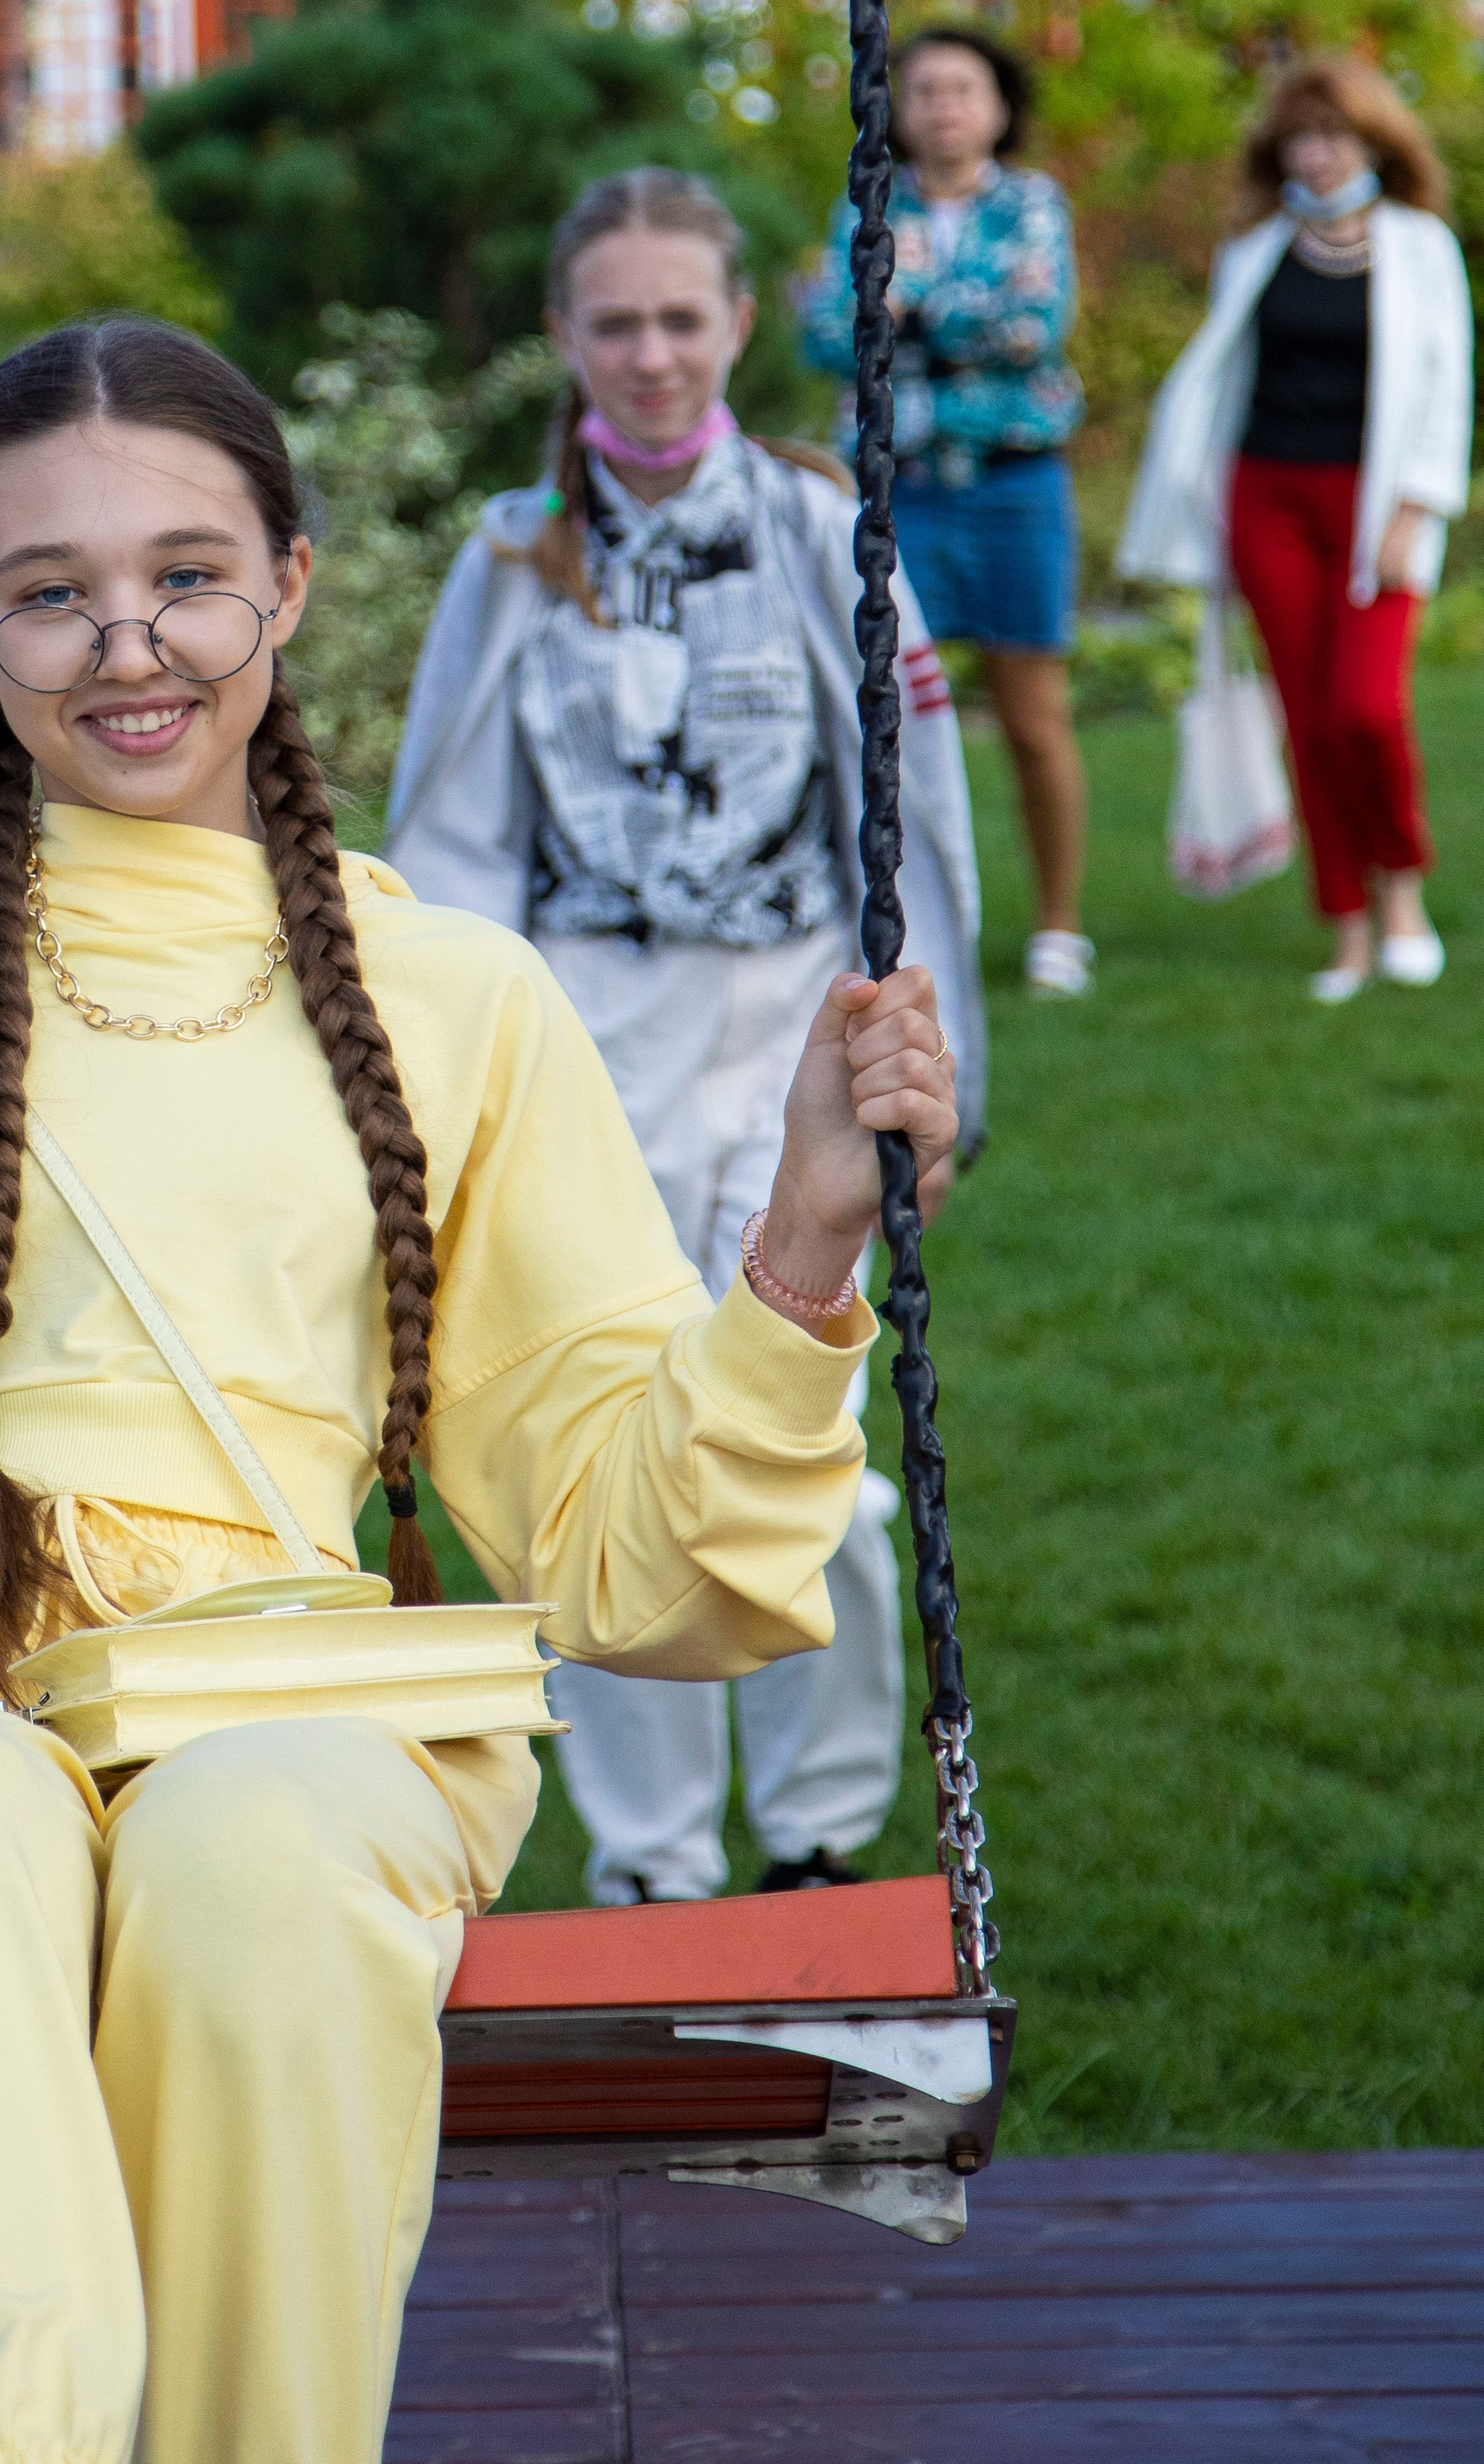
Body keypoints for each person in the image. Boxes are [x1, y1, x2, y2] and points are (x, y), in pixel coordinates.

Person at [0, 315, 960, 2464]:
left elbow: (620, 1547)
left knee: (247, 1852)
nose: (128, 641)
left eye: (188, 572)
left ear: (289, 586)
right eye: (48, 588)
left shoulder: (454, 997)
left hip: (300, 1700)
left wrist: (796, 1241)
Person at [387, 170, 982, 1910]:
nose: (649, 354)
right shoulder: (508, 563)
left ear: (733, 322)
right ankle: (651, 1862)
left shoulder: (821, 533)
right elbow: (451, 842)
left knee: (821, 1469)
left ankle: (814, 1825)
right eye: (612, 322)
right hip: (583, 1034)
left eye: (679, 317)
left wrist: (926, 1086)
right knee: (606, 1458)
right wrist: (433, 1092)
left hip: (793, 1026)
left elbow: (909, 812)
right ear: (563, 338)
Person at [1120, 55, 1473, 1000]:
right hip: (1265, 499)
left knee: (1366, 708)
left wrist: (1413, 511)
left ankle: (1402, 884)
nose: (1317, 155)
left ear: (1373, 143)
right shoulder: (1257, 246)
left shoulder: (1419, 244)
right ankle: (1347, 925)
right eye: (1301, 138)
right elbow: (1220, 380)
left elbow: (1445, 387)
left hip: (1371, 508)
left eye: (1334, 136)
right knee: (1310, 724)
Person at [800, 29, 1092, 996]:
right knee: (885, 714)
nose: (941, 107)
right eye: (922, 89)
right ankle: (910, 918)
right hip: (898, 493)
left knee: (1032, 719)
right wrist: (942, 318)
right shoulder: (865, 204)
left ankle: (1058, 927)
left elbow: (1034, 326)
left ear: (999, 106)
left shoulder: (1033, 205)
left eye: (962, 88)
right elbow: (822, 333)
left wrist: (906, 313)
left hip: (1014, 486)